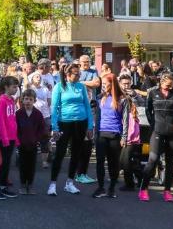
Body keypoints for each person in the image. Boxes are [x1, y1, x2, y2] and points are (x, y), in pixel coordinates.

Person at [48, 63, 92, 196]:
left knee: (76, 153)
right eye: (76, 74)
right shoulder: (59, 87)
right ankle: (53, 184)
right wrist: (54, 127)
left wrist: (90, 126)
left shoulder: (81, 86)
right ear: (68, 75)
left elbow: (87, 106)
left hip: (81, 123)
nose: (79, 76)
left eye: (79, 74)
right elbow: (54, 108)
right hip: (64, 123)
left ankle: (70, 183)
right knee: (60, 154)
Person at [139, 72, 173, 203]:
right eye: (167, 85)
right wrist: (153, 124)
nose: (169, 87)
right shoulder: (153, 93)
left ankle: (167, 190)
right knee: (153, 159)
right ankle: (144, 188)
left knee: (170, 162)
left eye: (171, 85)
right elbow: (148, 110)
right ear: (161, 82)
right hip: (157, 130)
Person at [92, 73, 129, 199]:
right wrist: (94, 134)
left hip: (115, 135)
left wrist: (124, 137)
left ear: (112, 84)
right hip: (101, 134)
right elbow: (97, 118)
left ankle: (112, 188)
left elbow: (126, 120)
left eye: (105, 84)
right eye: (102, 84)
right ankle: (101, 187)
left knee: (113, 163)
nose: (103, 86)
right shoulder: (100, 97)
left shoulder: (122, 99)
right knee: (100, 162)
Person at [0, 76, 19, 200]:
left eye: (17, 86)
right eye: (14, 87)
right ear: (6, 87)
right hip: (4, 138)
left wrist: (16, 137)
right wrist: (5, 137)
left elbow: (13, 120)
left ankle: (2, 186)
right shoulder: (2, 101)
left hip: (12, 136)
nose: (16, 89)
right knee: (4, 163)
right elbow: (0, 121)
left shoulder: (12, 100)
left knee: (7, 163)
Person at [16, 89, 46, 195]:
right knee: (23, 165)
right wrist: (18, 140)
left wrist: (37, 139)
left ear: (34, 100)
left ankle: (31, 184)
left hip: (33, 144)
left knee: (32, 165)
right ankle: (23, 184)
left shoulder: (38, 114)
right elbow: (16, 129)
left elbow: (42, 128)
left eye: (30, 99)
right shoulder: (18, 113)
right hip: (21, 144)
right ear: (22, 100)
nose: (28, 101)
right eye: (26, 99)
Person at [76, 55, 99, 185]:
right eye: (83, 62)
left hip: (91, 107)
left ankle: (82, 173)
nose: (86, 64)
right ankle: (79, 174)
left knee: (89, 142)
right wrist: (87, 84)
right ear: (79, 63)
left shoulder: (93, 71)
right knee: (82, 143)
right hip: (80, 110)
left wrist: (83, 83)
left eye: (88, 62)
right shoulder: (77, 72)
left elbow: (96, 83)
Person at [118, 74, 143, 191]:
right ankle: (140, 179)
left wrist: (135, 96)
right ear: (120, 84)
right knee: (125, 160)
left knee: (128, 159)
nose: (126, 86)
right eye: (124, 83)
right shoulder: (118, 95)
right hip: (120, 129)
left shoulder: (134, 95)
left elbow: (143, 104)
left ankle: (135, 182)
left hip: (132, 131)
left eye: (128, 83)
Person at [29, 68, 53, 169]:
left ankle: (44, 161)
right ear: (32, 79)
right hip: (32, 116)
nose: (38, 78)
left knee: (44, 139)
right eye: (36, 77)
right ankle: (31, 160)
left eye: (39, 77)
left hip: (45, 116)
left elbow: (49, 101)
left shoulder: (45, 89)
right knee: (31, 138)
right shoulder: (30, 89)